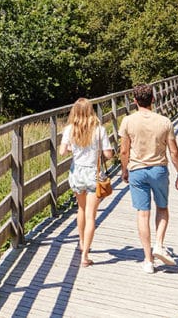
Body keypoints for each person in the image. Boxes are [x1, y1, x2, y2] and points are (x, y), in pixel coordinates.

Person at [119, 83, 178, 274]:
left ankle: (148, 260)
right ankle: (159, 244)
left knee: (143, 213)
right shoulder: (165, 121)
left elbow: (124, 150)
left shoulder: (128, 121)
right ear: (153, 99)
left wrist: (125, 170)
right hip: (159, 170)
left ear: (134, 101)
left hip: (137, 170)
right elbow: (174, 151)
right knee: (162, 208)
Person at [59, 98, 113, 267]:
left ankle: (81, 242)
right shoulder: (99, 130)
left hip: (76, 173)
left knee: (80, 209)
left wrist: (73, 149)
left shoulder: (69, 129)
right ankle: (85, 255)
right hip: (93, 174)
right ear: (91, 111)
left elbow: (62, 152)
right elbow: (108, 154)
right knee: (91, 215)